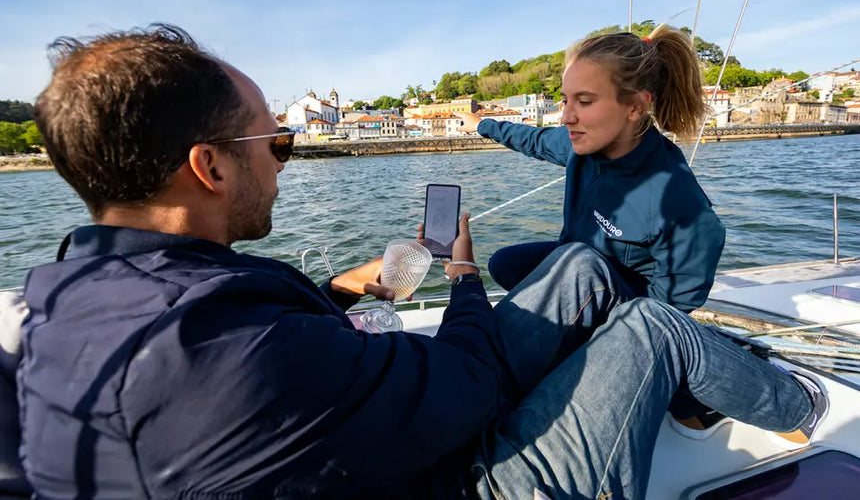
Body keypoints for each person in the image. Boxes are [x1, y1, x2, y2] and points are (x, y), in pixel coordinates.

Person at [17, 25, 825, 499]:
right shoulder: (225, 354)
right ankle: (811, 406)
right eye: (279, 140)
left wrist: (340, 289)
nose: (286, 158)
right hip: (463, 473)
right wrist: (463, 277)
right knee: (649, 326)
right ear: (210, 167)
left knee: (580, 269)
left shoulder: (87, 296)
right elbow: (461, 381)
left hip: (401, 440)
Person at [459, 26, 724, 314]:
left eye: (584, 101)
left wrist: (609, 329)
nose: (566, 117)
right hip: (579, 263)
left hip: (627, 302)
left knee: (572, 275)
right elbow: (533, 139)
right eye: (565, 100)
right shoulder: (578, 145)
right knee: (504, 264)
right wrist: (481, 125)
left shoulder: (676, 200)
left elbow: (674, 303)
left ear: (635, 107)